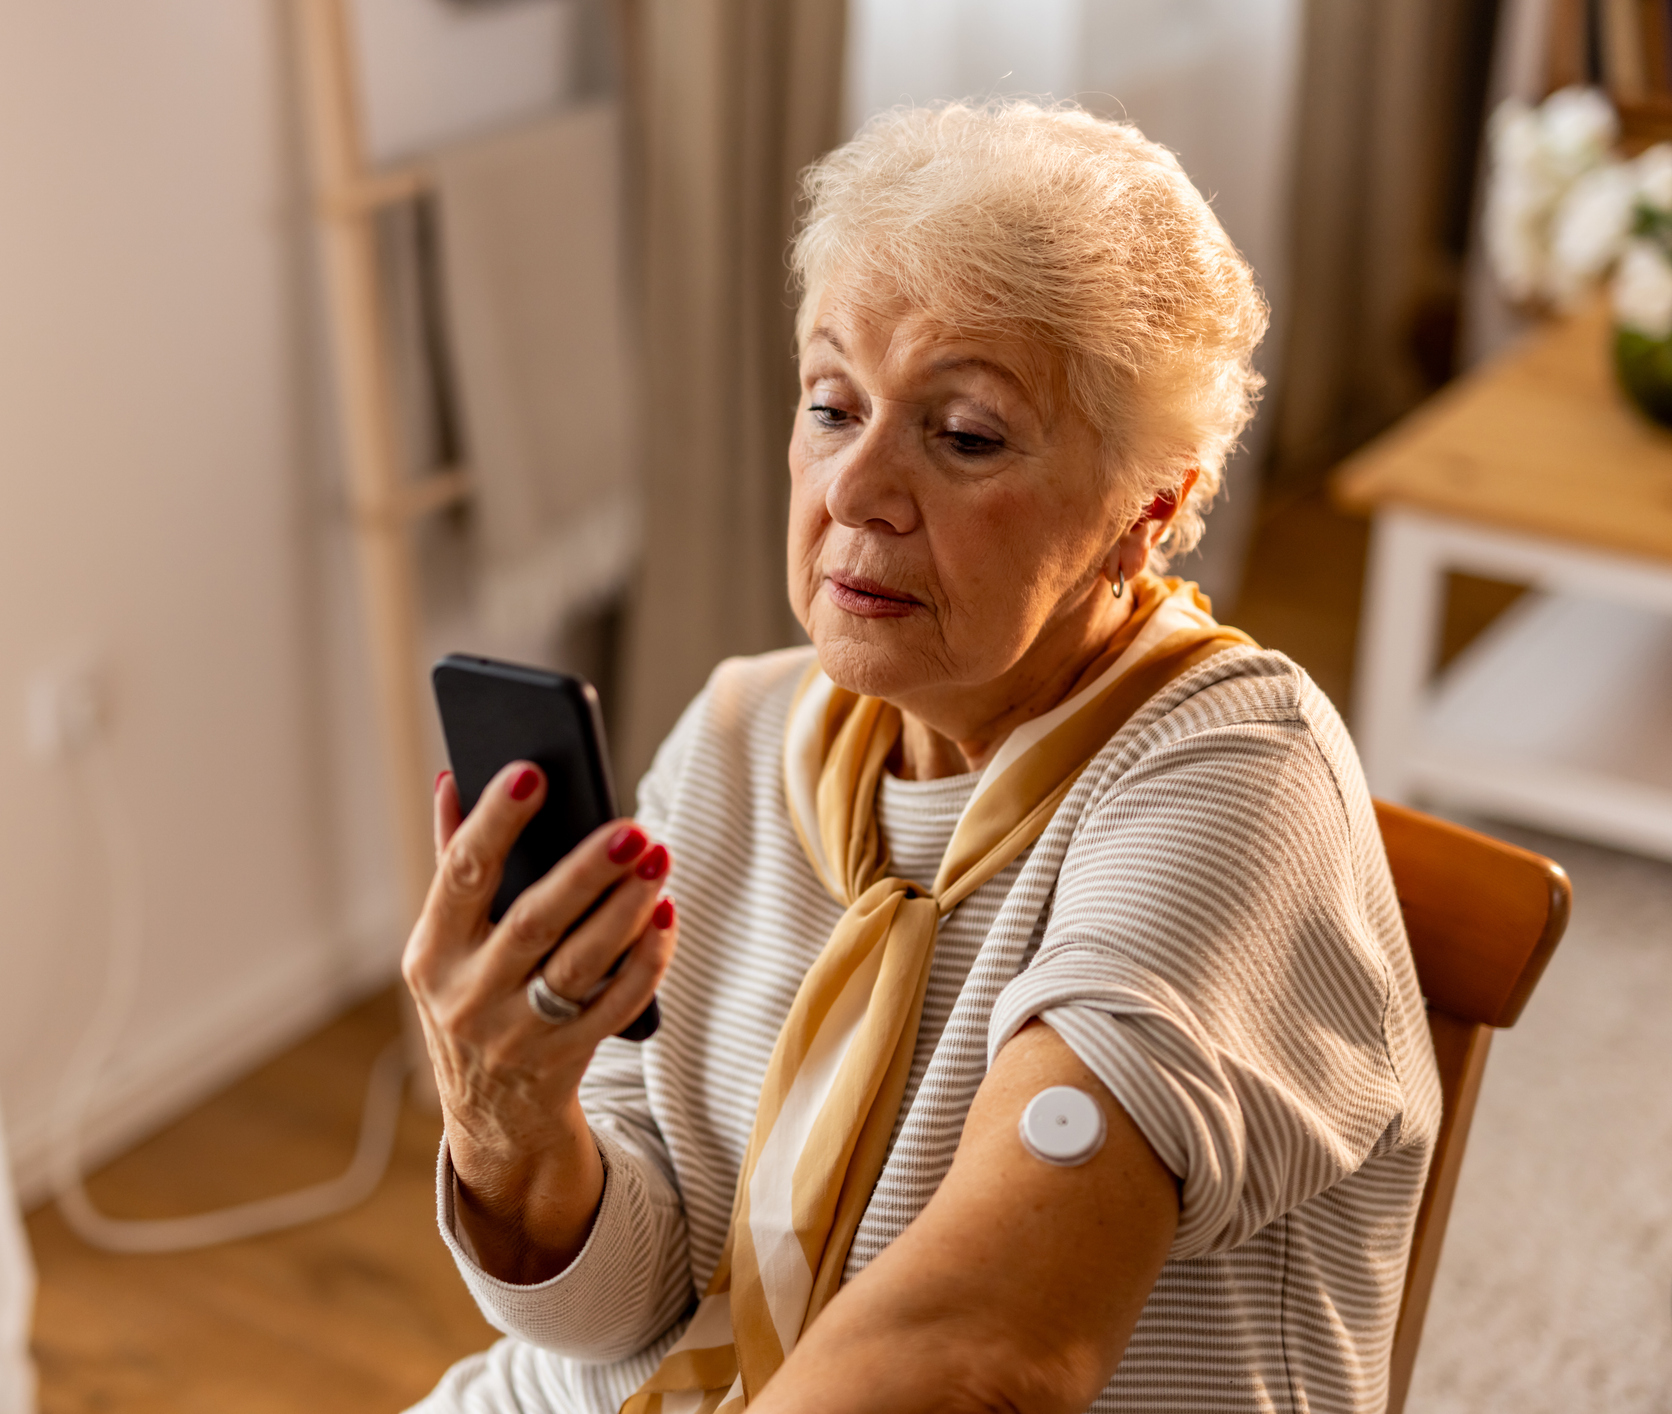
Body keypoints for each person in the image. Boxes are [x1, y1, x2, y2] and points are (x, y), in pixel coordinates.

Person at [402, 99, 1439, 1414]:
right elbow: (638, 1297)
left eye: (964, 436)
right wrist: (513, 1120)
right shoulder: (739, 736)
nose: (856, 487)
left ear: (1149, 510)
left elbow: (984, 1352)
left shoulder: (1236, 778)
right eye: (834, 404)